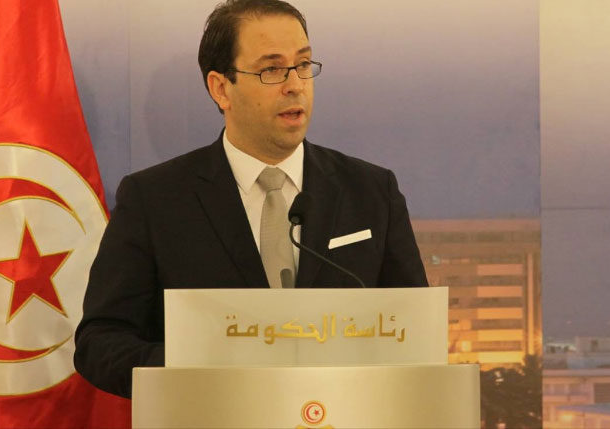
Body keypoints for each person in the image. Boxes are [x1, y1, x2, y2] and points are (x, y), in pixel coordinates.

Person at [74, 0, 428, 399]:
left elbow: (415, 329)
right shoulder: (155, 199)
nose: (295, 84)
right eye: (272, 70)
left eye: (303, 64)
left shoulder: (371, 191)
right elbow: (100, 342)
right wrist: (197, 368)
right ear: (221, 88)